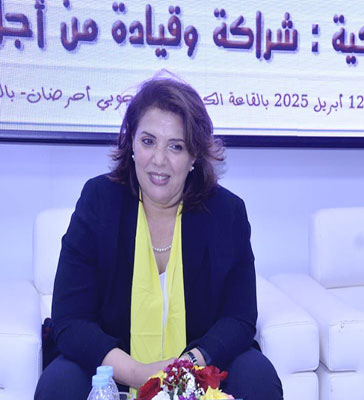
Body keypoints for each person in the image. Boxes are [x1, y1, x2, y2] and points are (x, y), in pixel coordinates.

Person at [35, 76, 283, 400]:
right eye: (148, 141)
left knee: (258, 376)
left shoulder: (226, 213)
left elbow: (239, 317)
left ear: (194, 156)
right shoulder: (99, 202)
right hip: (114, 371)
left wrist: (186, 368)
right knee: (58, 384)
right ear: (131, 144)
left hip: (199, 368)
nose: (159, 160)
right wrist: (139, 374)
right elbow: (70, 319)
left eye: (175, 146)